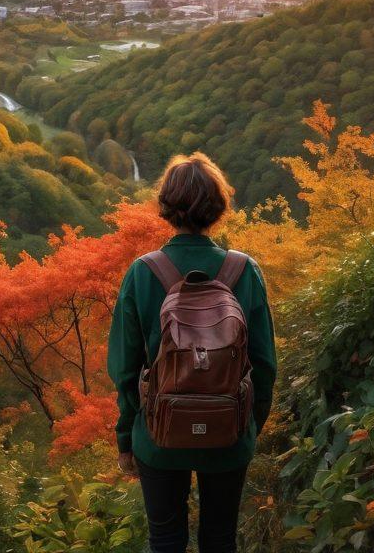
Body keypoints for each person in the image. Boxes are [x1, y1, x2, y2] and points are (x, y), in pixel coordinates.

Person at [107, 152, 277, 553]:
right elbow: (265, 363)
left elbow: (124, 367)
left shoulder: (143, 272)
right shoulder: (244, 270)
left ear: (166, 207)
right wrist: (249, 423)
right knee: (220, 540)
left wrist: (127, 436)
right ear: (218, 208)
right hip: (229, 432)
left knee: (165, 540)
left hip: (158, 434)